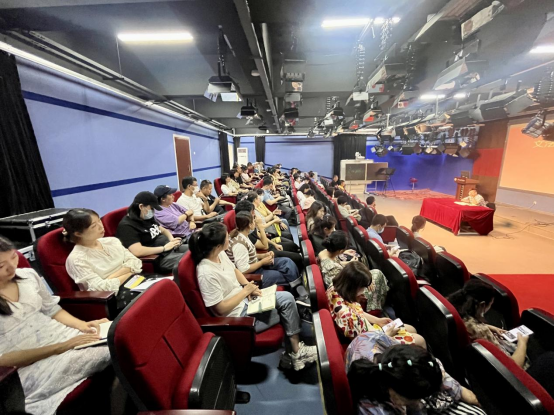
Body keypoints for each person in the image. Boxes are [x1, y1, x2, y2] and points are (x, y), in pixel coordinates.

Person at [0, 236, 112, 415]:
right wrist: (62, 347)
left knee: (119, 336)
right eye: (1, 266)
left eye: (14, 257)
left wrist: (83, 325)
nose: (12, 267)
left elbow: (52, 310)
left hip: (64, 337)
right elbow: (3, 361)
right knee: (115, 350)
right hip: (29, 364)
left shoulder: (28, 276)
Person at [190, 223, 318, 372]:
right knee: (289, 309)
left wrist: (248, 286)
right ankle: (296, 352)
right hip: (239, 317)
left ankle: (292, 355)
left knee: (287, 299)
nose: (229, 240)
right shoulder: (206, 273)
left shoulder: (219, 254)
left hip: (246, 301)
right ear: (218, 245)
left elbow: (235, 270)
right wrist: (245, 292)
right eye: (227, 238)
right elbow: (220, 309)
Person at [346, 339, 484, 415]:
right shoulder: (372, 406)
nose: (420, 401)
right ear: (394, 393)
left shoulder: (407, 360)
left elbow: (464, 393)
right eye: (416, 398)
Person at [64, 209, 149, 310]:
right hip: (114, 296)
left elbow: (136, 262)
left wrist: (110, 278)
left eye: (99, 220)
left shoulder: (111, 241)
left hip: (137, 279)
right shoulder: (77, 259)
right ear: (78, 233)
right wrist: (130, 273)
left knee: (162, 285)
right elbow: (101, 288)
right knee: (151, 298)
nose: (101, 226)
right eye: (94, 226)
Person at [327, 262, 422, 345]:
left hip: (371, 331)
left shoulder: (334, 288)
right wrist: (387, 335)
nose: (364, 291)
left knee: (411, 328)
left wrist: (377, 320)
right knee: (420, 340)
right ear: (353, 287)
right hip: (372, 342)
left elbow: (357, 312)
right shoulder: (347, 316)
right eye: (363, 287)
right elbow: (362, 345)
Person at [227, 211, 309, 305]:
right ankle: (298, 295)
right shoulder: (239, 244)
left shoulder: (244, 235)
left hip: (257, 265)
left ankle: (299, 291)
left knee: (287, 262)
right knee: (286, 274)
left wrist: (263, 256)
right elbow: (243, 269)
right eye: (253, 220)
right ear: (249, 225)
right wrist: (262, 262)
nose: (255, 222)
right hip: (253, 274)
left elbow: (248, 256)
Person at [116, 191, 187, 274]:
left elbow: (163, 230)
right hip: (160, 258)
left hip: (170, 248)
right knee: (193, 258)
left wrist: (171, 239)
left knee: (197, 248)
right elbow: (137, 251)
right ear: (141, 207)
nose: (153, 211)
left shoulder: (146, 217)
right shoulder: (126, 226)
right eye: (151, 208)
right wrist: (163, 248)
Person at [236, 200, 303, 271]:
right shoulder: (247, 233)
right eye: (252, 212)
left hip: (267, 247)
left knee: (292, 245)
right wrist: (260, 226)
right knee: (297, 258)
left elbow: (259, 235)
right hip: (265, 252)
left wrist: (275, 244)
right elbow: (265, 246)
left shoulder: (249, 226)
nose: (254, 214)